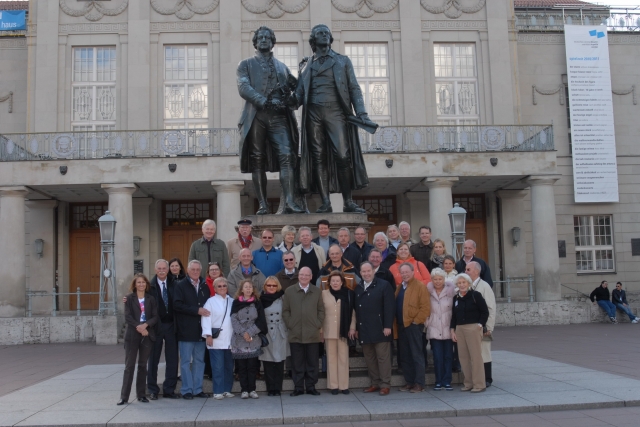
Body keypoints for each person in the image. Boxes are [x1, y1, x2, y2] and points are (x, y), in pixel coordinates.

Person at [291, 24, 371, 214]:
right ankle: (325, 202)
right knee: (318, 158)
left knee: (343, 156)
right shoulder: (306, 65)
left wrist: (362, 113)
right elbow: (298, 98)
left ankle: (348, 201)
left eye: (327, 33)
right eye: (320, 33)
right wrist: (285, 94)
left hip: (336, 112)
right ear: (313, 40)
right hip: (313, 115)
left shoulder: (342, 61)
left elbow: (354, 88)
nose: (325, 35)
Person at [237, 26, 305, 215]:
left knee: (287, 156)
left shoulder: (282, 67)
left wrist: (301, 77)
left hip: (279, 118)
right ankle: (263, 205)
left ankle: (290, 201)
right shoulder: (246, 64)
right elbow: (243, 87)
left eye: (268, 37)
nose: (264, 40)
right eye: (260, 37)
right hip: (257, 115)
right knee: (257, 160)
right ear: (255, 42)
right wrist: (264, 101)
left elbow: (296, 92)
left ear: (273, 41)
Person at [282, 266, 325, 396]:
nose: (304, 277)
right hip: (296, 333)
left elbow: (321, 311)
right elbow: (285, 311)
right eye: (302, 274)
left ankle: (311, 386)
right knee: (297, 362)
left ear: (311, 277)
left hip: (312, 334)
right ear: (298, 276)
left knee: (312, 362)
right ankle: (299, 387)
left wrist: (317, 324)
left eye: (307, 275)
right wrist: (291, 324)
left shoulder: (317, 291)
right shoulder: (289, 291)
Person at [118, 274, 159, 405]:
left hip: (147, 334)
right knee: (129, 366)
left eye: (143, 282)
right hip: (132, 335)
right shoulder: (129, 299)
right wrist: (139, 327)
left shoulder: (151, 299)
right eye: (138, 282)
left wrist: (146, 325)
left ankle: (141, 394)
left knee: (142, 365)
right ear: (135, 284)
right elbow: (128, 316)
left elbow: (155, 316)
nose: (141, 284)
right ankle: (124, 396)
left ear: (146, 284)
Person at [173, 260, 211, 399]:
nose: (195, 272)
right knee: (185, 362)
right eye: (192, 269)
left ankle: (198, 389)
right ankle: (187, 390)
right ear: (188, 270)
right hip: (185, 330)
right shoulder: (180, 285)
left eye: (197, 269)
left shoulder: (204, 286)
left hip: (201, 331)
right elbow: (177, 305)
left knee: (199, 361)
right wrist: (196, 310)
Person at [356, 262, 395, 396]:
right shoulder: (359, 287)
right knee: (370, 358)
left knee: (383, 359)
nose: (366, 274)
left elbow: (389, 307)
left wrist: (388, 326)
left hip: (381, 329)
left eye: (368, 271)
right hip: (364, 329)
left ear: (373, 271)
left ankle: (385, 385)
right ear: (360, 273)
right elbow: (356, 310)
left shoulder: (384, 285)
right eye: (363, 272)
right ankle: (375, 383)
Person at [146, 260, 180, 400]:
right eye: (159, 268)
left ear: (168, 270)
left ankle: (169, 389)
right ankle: (153, 389)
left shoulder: (175, 284)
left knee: (172, 359)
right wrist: (127, 299)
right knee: (153, 359)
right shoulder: (149, 286)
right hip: (155, 327)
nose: (161, 270)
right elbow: (138, 298)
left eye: (164, 268)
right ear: (155, 269)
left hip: (172, 325)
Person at [395, 263, 430, 393]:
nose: (404, 274)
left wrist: (416, 321)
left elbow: (425, 307)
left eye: (406, 272)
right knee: (405, 355)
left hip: (413, 326)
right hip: (402, 326)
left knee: (417, 355)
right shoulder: (400, 287)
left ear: (412, 271)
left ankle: (419, 383)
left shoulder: (420, 286)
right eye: (402, 272)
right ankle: (409, 382)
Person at [450, 273, 489, 393]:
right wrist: (452, 330)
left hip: (473, 328)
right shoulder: (456, 298)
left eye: (464, 282)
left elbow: (485, 311)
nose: (461, 285)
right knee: (463, 357)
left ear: (468, 283)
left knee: (475, 356)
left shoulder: (475, 295)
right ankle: (468, 383)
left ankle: (479, 384)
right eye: (459, 283)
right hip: (460, 329)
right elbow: (454, 316)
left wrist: (480, 324)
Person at [231, 279, 268, 399]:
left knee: (252, 366)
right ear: (241, 289)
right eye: (246, 287)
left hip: (253, 339)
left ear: (253, 289)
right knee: (242, 367)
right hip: (239, 340)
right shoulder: (236, 303)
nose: (248, 289)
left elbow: (261, 321)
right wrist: (243, 333)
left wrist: (250, 332)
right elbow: (233, 319)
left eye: (250, 287)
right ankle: (244, 390)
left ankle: (252, 389)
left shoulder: (257, 303)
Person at [321, 271, 356, 395]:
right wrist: (321, 331)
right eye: (333, 281)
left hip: (344, 331)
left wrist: (352, 328)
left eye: (337, 281)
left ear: (342, 282)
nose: (335, 283)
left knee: (343, 358)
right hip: (329, 330)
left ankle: (344, 385)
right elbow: (321, 313)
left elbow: (353, 312)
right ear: (329, 282)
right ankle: (334, 385)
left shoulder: (349, 294)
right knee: (331, 359)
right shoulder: (323, 294)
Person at [201, 277, 235, 400]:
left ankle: (227, 389)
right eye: (219, 286)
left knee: (228, 366)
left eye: (224, 286)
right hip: (216, 340)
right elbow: (206, 319)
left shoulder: (232, 301)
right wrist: (208, 335)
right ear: (214, 288)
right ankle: (218, 390)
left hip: (230, 340)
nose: (222, 288)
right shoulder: (210, 302)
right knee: (217, 367)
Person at [466, 261, 496, 387]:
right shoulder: (466, 286)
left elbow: (491, 307)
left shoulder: (484, 286)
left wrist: (488, 327)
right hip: (470, 327)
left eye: (468, 269)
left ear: (476, 271)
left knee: (484, 352)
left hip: (481, 325)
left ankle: (487, 378)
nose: (465, 271)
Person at [426, 268, 455, 391]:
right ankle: (438, 381)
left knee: (448, 356)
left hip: (448, 328)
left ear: (444, 279)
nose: (437, 281)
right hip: (434, 328)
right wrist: (427, 323)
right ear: (431, 280)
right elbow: (425, 309)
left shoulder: (451, 293)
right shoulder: (428, 292)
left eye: (440, 279)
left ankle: (447, 381)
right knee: (437, 357)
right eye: (435, 279)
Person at [259, 277, 289, 396]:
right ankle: (270, 388)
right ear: (265, 286)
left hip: (280, 332)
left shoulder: (283, 297)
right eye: (269, 285)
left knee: (280, 361)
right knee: (268, 361)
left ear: (278, 287)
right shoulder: (260, 299)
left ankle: (278, 388)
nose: (271, 287)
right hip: (267, 332)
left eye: (274, 285)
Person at [203, 262, 223, 379]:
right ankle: (209, 371)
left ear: (220, 271)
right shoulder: (204, 284)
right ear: (208, 272)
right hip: (208, 316)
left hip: (221, 318)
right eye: (211, 270)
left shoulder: (224, 283)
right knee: (209, 345)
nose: (214, 271)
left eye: (216, 269)